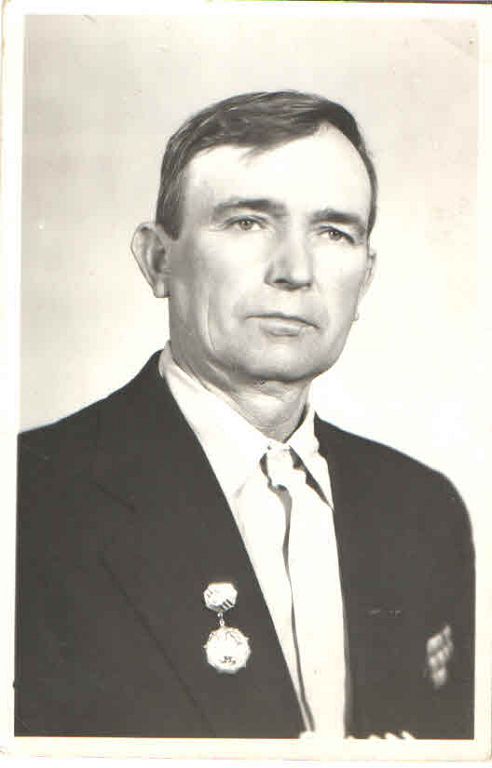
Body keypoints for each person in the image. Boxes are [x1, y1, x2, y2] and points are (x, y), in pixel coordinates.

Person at [15, 90, 474, 739]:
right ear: (158, 260)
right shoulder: (32, 499)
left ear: (365, 279)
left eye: (333, 232)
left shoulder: (423, 511)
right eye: (248, 222)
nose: (295, 271)